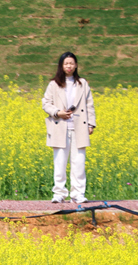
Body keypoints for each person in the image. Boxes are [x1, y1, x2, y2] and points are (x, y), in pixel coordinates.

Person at [41, 52, 96, 204]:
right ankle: (59, 193)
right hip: (60, 126)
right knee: (60, 162)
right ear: (61, 66)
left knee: (78, 163)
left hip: (79, 127)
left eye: (71, 63)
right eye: (66, 64)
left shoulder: (82, 83)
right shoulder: (54, 84)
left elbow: (89, 104)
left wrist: (91, 124)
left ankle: (78, 194)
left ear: (76, 65)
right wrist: (58, 112)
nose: (69, 66)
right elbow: (46, 103)